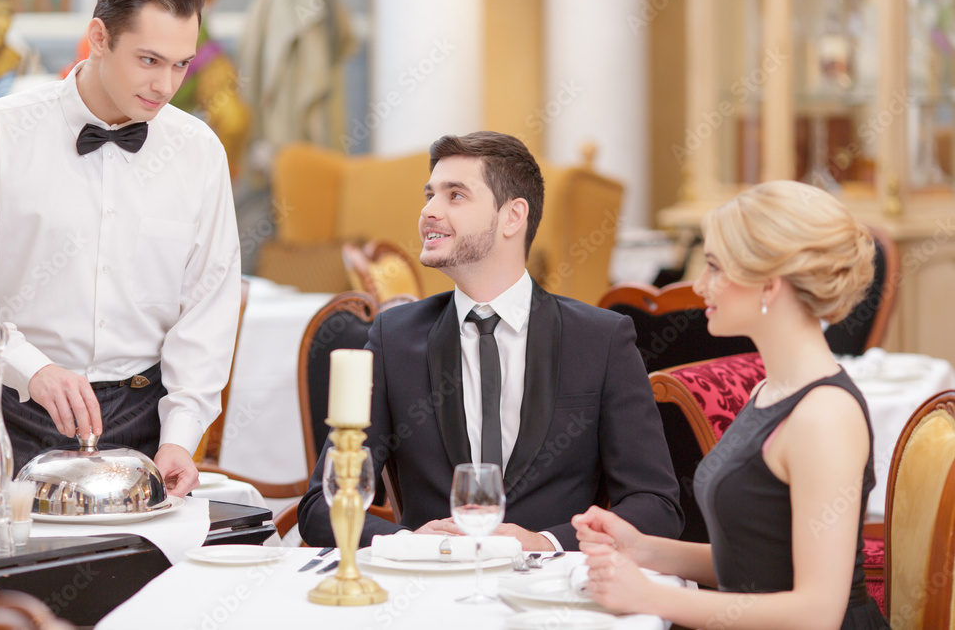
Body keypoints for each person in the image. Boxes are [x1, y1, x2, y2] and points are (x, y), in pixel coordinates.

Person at [298, 131, 683, 551]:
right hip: (431, 584)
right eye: (429, 195)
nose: (429, 211)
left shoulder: (600, 339)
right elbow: (320, 507)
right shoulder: (395, 338)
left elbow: (656, 507)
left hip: (550, 586)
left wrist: (544, 542)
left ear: (512, 216)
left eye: (455, 195)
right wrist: (410, 543)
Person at [0, 0, 241, 510]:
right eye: (149, 60)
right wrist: (32, 368)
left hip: (144, 421)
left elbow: (208, 306)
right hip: (12, 413)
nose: (166, 86)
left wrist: (181, 435)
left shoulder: (199, 152)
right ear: (99, 38)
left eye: (181, 64)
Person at [574, 180, 889, 629]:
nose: (700, 286)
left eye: (714, 267)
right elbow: (756, 566)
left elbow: (817, 614)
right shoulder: (771, 390)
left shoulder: (825, 416)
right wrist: (642, 548)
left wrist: (652, 596)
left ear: (769, 285)